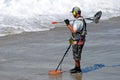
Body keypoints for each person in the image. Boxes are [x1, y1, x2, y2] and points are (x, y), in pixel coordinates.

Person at [64, 7, 87, 73]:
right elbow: (74, 29)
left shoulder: (79, 22)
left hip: (79, 41)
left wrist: (67, 24)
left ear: (75, 13)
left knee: (77, 55)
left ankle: (78, 69)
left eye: (73, 13)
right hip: (74, 39)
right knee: (75, 54)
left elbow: (73, 30)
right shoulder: (78, 20)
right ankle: (76, 67)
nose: (72, 14)